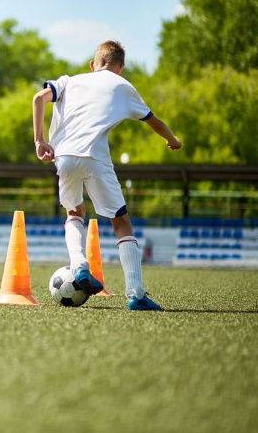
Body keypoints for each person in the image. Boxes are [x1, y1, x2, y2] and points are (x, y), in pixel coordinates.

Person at [32, 40, 182, 311]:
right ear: (120, 68)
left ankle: (79, 266)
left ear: (93, 65)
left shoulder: (70, 81)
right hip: (95, 158)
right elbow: (154, 121)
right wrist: (172, 140)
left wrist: (39, 141)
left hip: (63, 157)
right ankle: (136, 294)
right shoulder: (123, 86)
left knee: (74, 214)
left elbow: (38, 98)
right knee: (121, 223)